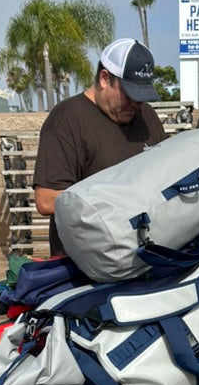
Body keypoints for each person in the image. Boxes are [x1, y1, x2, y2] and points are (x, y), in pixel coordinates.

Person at [33, 38, 167, 255]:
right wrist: (118, 200)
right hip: (85, 269)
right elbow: (46, 200)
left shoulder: (147, 116)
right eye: (130, 94)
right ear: (105, 79)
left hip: (144, 261)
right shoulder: (66, 119)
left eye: (142, 97)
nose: (136, 105)